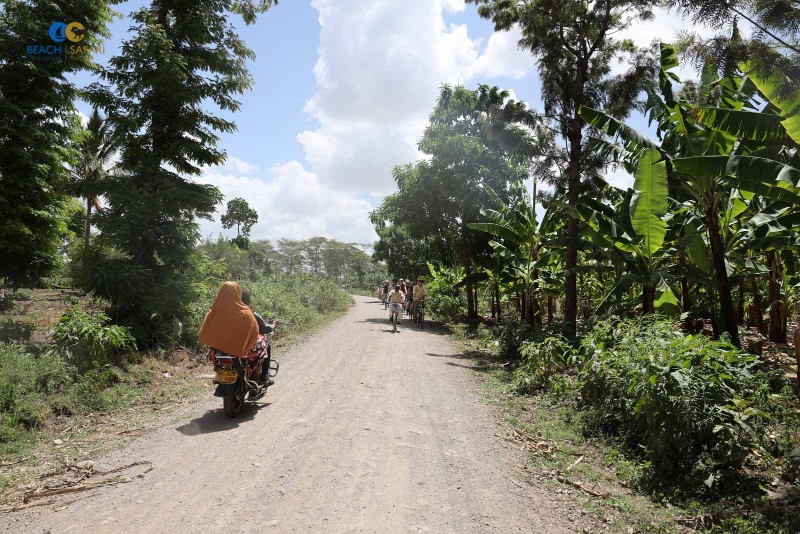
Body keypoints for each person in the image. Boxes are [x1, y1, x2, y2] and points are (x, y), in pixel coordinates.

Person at [198, 281, 271, 387]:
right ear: (238, 294)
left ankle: (220, 373)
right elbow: (254, 333)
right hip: (241, 351)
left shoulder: (213, 313)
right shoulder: (246, 313)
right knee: (263, 346)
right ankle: (258, 378)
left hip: (219, 351)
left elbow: (206, 331)